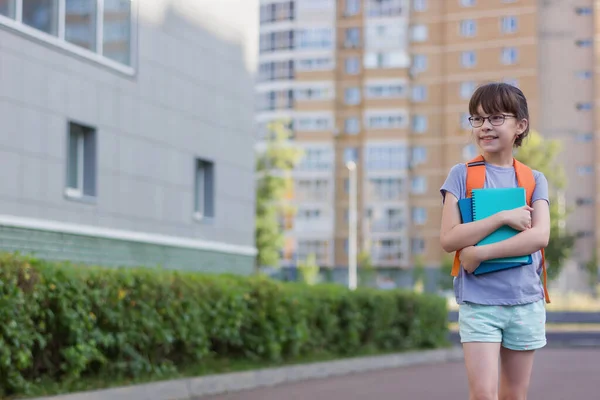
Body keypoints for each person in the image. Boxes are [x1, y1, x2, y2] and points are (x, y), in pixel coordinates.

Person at [439, 82, 550, 400]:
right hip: (479, 305)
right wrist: (501, 218)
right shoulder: (461, 175)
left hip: (525, 303)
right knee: (484, 395)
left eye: (496, 118)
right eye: (477, 118)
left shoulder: (533, 179)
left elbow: (539, 236)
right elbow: (449, 239)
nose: (485, 126)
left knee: (514, 395)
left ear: (520, 125)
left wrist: (479, 254)